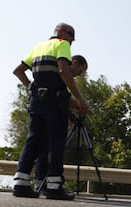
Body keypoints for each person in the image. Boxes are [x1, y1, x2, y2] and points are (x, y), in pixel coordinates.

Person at [12, 23, 88, 200]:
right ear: (61, 33)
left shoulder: (38, 47)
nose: (72, 40)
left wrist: (32, 87)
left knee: (33, 140)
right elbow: (63, 70)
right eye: (71, 35)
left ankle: (21, 183)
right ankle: (54, 186)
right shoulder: (62, 45)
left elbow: (18, 71)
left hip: (37, 101)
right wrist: (79, 99)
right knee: (55, 142)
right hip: (55, 101)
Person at [33, 55, 89, 191]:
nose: (78, 75)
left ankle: (40, 182)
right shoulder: (62, 75)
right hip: (52, 115)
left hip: (44, 111)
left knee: (45, 148)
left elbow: (61, 99)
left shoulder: (57, 74)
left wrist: (70, 114)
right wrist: (79, 103)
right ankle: (52, 183)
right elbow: (59, 98)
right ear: (74, 62)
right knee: (53, 148)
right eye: (79, 71)